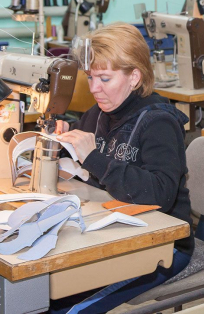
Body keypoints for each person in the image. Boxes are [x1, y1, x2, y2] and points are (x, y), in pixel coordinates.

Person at [50, 23, 193, 313]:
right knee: (44, 295)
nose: (94, 88)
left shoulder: (158, 122)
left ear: (134, 77)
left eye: (104, 78)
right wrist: (61, 142)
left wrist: (93, 157)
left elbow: (160, 195)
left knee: (69, 310)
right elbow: (78, 154)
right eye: (90, 77)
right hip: (113, 232)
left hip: (161, 245)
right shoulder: (99, 114)